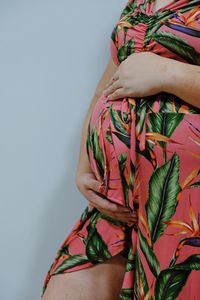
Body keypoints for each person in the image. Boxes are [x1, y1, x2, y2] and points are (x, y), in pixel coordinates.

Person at [41, 0, 200, 299]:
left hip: (184, 209)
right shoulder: (139, 2)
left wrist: (167, 72)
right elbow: (107, 86)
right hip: (117, 202)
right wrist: (84, 163)